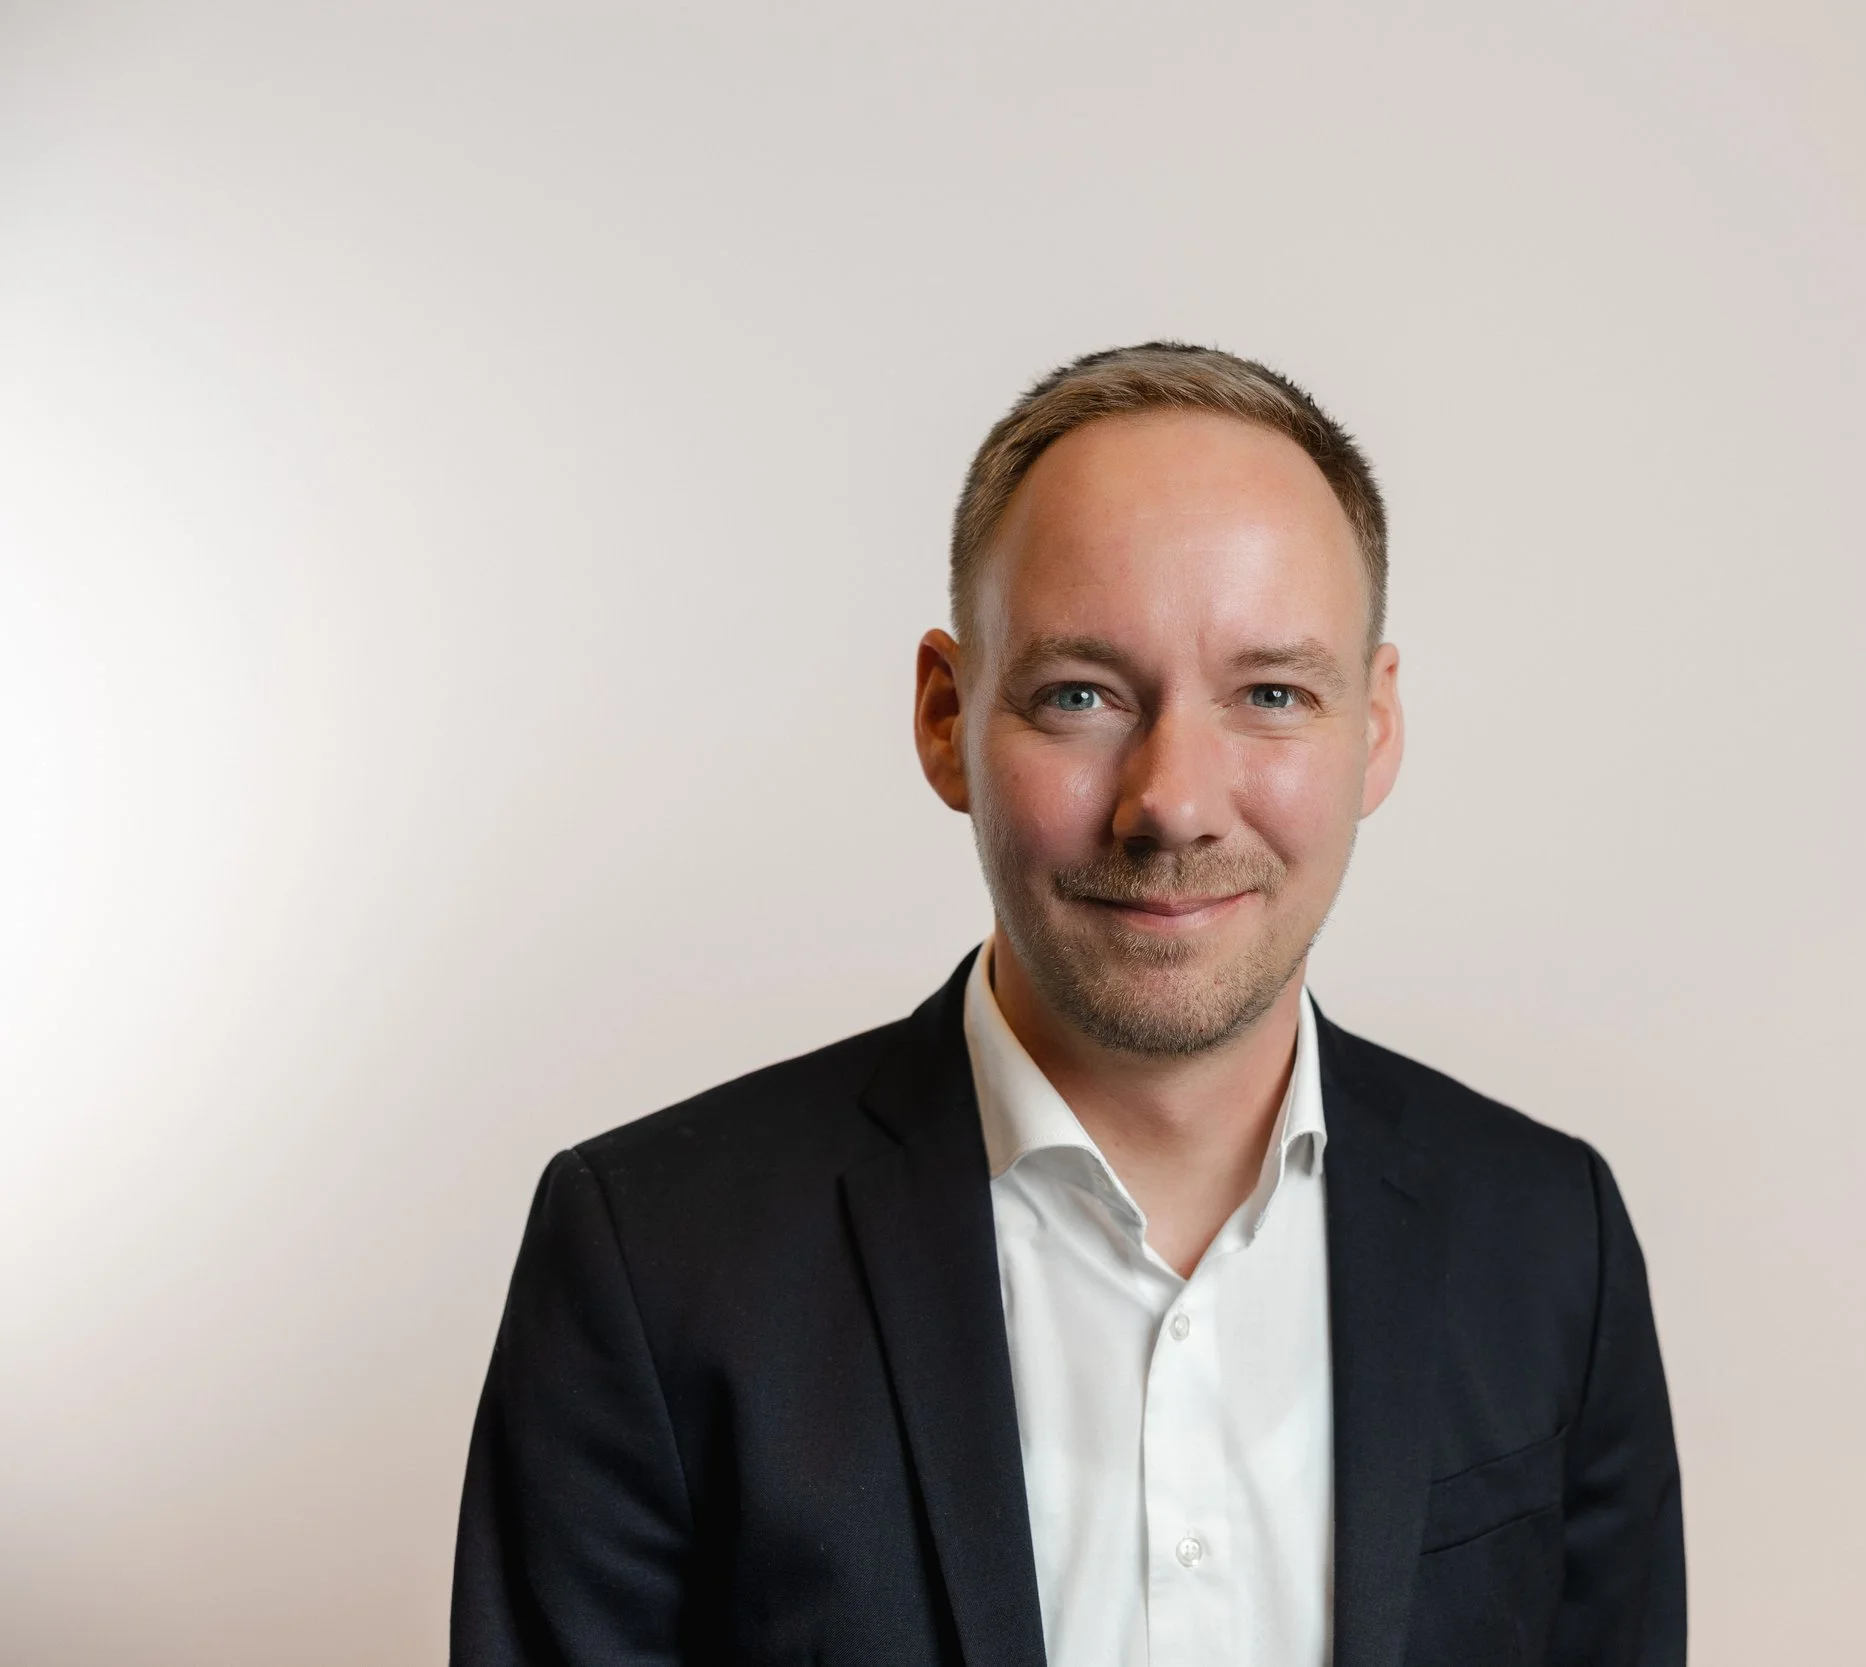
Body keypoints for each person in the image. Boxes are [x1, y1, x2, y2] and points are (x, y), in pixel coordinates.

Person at [452, 343, 1685, 1666]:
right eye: (1082, 694)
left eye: (1271, 694)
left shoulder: (1554, 1240)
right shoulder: (651, 1260)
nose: (1174, 801)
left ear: (1374, 728)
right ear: (944, 716)